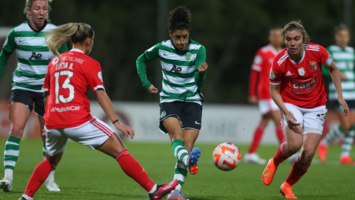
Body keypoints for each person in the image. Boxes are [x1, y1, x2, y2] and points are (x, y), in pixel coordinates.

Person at [19, 22, 178, 200]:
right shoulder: (90, 63)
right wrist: (117, 122)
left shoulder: (55, 61)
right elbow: (101, 95)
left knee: (50, 160)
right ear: (88, 41)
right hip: (77, 120)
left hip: (54, 121)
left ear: (71, 39)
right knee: (119, 149)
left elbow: (47, 95)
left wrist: (48, 122)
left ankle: (26, 196)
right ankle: (153, 189)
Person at [261, 20, 348, 199]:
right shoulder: (279, 61)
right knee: (294, 145)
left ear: (304, 40)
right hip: (291, 103)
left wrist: (339, 96)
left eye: (296, 39)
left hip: (316, 105)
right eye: (288, 39)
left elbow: (333, 69)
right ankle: (275, 161)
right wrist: (285, 110)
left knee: (308, 154)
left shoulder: (317, 51)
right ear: (284, 40)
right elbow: (274, 90)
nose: (292, 43)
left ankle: (287, 185)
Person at [136, 6, 207, 200]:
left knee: (188, 145)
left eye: (184, 37)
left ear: (188, 34)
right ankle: (188, 161)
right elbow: (140, 60)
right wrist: (146, 83)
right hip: (169, 100)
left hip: (192, 100)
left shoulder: (199, 50)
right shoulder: (162, 48)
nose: (182, 42)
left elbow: (199, 85)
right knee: (176, 135)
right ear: (170, 35)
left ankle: (176, 192)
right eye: (177, 37)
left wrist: (201, 74)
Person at [0, 0, 67, 192]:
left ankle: (50, 179)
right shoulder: (17, 32)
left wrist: (62, 90)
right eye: (37, 8)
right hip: (22, 87)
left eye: (44, 9)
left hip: (47, 91)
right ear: (28, 10)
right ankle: (8, 178)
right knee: (16, 129)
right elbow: (3, 56)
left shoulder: (55, 33)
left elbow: (66, 61)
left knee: (48, 136)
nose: (41, 12)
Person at [247, 26, 285, 164]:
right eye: (275, 35)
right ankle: (287, 150)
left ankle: (250, 153)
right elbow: (254, 73)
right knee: (277, 118)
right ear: (270, 38)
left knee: (265, 120)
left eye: (280, 36)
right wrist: (252, 93)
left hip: (277, 94)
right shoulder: (262, 52)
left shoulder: (283, 53)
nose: (278, 38)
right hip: (265, 92)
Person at [318, 24, 355, 165]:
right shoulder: (330, 51)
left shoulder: (352, 52)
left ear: (349, 37)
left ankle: (344, 156)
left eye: (346, 36)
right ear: (336, 37)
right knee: (346, 125)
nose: (343, 38)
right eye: (341, 36)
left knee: (352, 125)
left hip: (352, 93)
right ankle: (325, 142)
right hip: (338, 94)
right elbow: (324, 70)